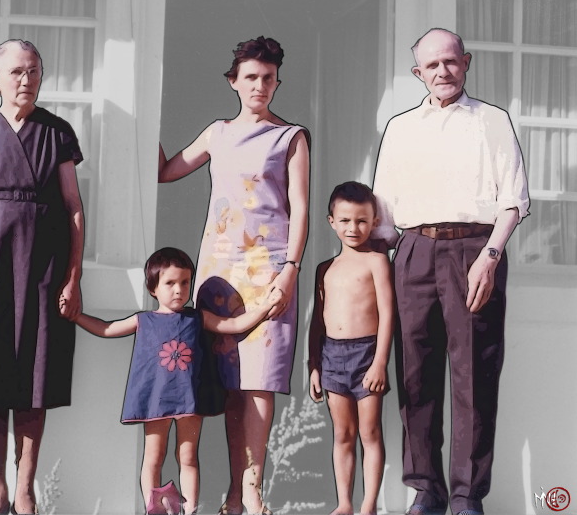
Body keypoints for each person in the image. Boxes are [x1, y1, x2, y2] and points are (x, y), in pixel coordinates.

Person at [371, 28, 530, 515]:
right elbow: (383, 211)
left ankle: (466, 496)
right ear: (418, 73)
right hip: (414, 250)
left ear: (466, 62)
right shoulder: (400, 128)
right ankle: (427, 489)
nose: (443, 72)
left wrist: (491, 256)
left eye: (451, 62)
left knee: (474, 376)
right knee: (416, 374)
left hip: (475, 252)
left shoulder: (493, 121)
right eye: (431, 66)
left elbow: (515, 201)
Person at [158, 36, 310, 515]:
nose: (260, 86)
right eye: (251, 78)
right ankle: (231, 492)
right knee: (229, 382)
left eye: (268, 78)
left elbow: (301, 208)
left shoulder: (291, 137)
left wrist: (291, 270)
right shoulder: (218, 133)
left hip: (270, 269)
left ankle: (251, 487)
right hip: (221, 271)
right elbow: (165, 171)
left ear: (277, 81)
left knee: (260, 382)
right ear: (234, 82)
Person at [0, 39, 85, 515]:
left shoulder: (57, 133)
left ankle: (25, 487)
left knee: (35, 373)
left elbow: (73, 208)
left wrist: (73, 276)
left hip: (43, 266)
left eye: (34, 71)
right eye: (17, 72)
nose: (27, 80)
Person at [72, 247, 280, 515]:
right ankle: (153, 509)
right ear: (153, 288)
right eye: (170, 283)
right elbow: (107, 329)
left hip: (189, 400)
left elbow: (235, 325)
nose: (179, 289)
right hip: (155, 400)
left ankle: (190, 509)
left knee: (188, 457)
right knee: (153, 458)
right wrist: (76, 316)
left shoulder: (198, 317)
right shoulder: (143, 320)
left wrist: (265, 307)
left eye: (184, 282)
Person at [307, 182, 393, 515]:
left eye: (361, 221)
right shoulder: (325, 269)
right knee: (342, 433)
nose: (352, 228)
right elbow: (317, 321)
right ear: (331, 221)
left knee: (369, 431)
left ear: (373, 222)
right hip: (332, 356)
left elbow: (387, 315)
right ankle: (344, 503)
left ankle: (368, 504)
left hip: (367, 354)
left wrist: (379, 363)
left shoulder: (377, 262)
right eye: (344, 221)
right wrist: (313, 365)